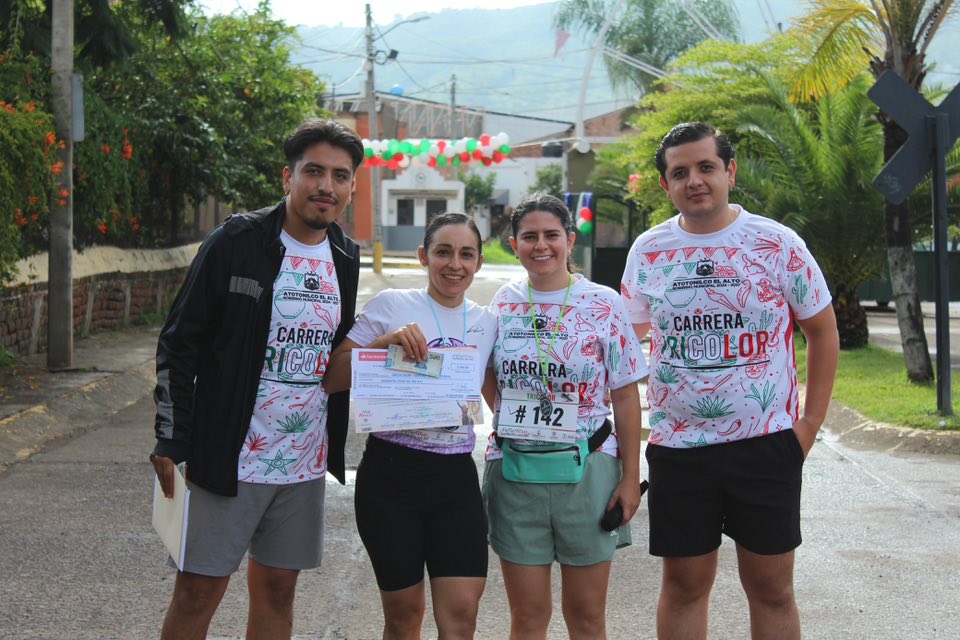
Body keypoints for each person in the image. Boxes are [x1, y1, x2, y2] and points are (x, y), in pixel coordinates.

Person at [620, 122, 839, 640]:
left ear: (730, 172)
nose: (694, 180)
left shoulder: (777, 244)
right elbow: (625, 347)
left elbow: (823, 331)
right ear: (665, 185)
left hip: (765, 445)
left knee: (771, 589)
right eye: (680, 173)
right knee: (684, 586)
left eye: (706, 167)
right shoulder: (649, 250)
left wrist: (808, 426)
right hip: (679, 449)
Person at [150, 118, 364, 640]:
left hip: (303, 462)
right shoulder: (236, 241)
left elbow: (335, 352)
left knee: (278, 592)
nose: (326, 186)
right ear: (288, 177)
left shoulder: (344, 254)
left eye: (340, 176)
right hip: (230, 453)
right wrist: (171, 435)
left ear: (352, 186)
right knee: (197, 591)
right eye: (313, 171)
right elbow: (179, 342)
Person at [323, 212, 498, 640]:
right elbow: (332, 378)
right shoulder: (391, 306)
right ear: (423, 256)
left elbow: (500, 393)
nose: (454, 264)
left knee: (461, 617)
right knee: (404, 617)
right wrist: (382, 346)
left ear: (478, 263)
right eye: (443, 252)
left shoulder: (488, 322)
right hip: (390, 477)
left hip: (454, 479)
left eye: (466, 254)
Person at [481, 193, 648, 640]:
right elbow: (487, 371)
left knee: (587, 617)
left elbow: (626, 395)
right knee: (528, 617)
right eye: (529, 237)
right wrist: (512, 419)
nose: (541, 246)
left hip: (588, 472)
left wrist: (630, 478)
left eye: (551, 235)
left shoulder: (603, 302)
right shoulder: (504, 302)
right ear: (514, 245)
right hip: (515, 473)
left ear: (570, 240)